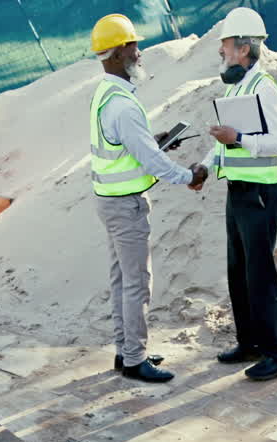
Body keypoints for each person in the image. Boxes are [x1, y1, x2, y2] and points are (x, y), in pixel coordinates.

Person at [90, 13, 208, 383]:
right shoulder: (123, 105)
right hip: (124, 206)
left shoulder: (105, 93)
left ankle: (126, 350)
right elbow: (152, 161)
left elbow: (126, 147)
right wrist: (189, 176)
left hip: (109, 201)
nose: (139, 53)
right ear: (118, 52)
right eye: (133, 46)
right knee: (137, 283)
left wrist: (148, 141)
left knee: (121, 280)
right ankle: (135, 360)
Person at [190, 8, 277, 381]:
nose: (223, 53)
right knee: (239, 270)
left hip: (262, 194)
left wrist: (238, 139)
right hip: (239, 193)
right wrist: (206, 167)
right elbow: (228, 147)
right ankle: (249, 342)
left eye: (227, 48)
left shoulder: (264, 86)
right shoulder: (237, 87)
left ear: (246, 47)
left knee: (260, 273)